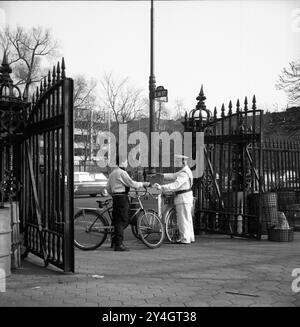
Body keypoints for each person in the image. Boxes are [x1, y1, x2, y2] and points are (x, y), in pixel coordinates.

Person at [106, 156, 150, 251]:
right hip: (122, 198)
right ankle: (119, 245)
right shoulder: (122, 173)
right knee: (123, 220)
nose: (126, 164)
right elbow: (131, 183)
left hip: (116, 198)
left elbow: (108, 188)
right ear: (122, 162)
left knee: (116, 220)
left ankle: (114, 242)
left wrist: (113, 194)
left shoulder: (113, 172)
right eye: (126, 162)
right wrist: (143, 184)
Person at [153, 154, 195, 244]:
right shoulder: (186, 171)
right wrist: (162, 175)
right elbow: (173, 175)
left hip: (183, 198)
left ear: (183, 162)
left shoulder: (184, 174)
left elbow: (175, 185)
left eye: (178, 162)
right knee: (188, 218)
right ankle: (190, 237)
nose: (176, 164)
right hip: (186, 197)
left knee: (182, 219)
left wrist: (161, 187)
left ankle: (185, 239)